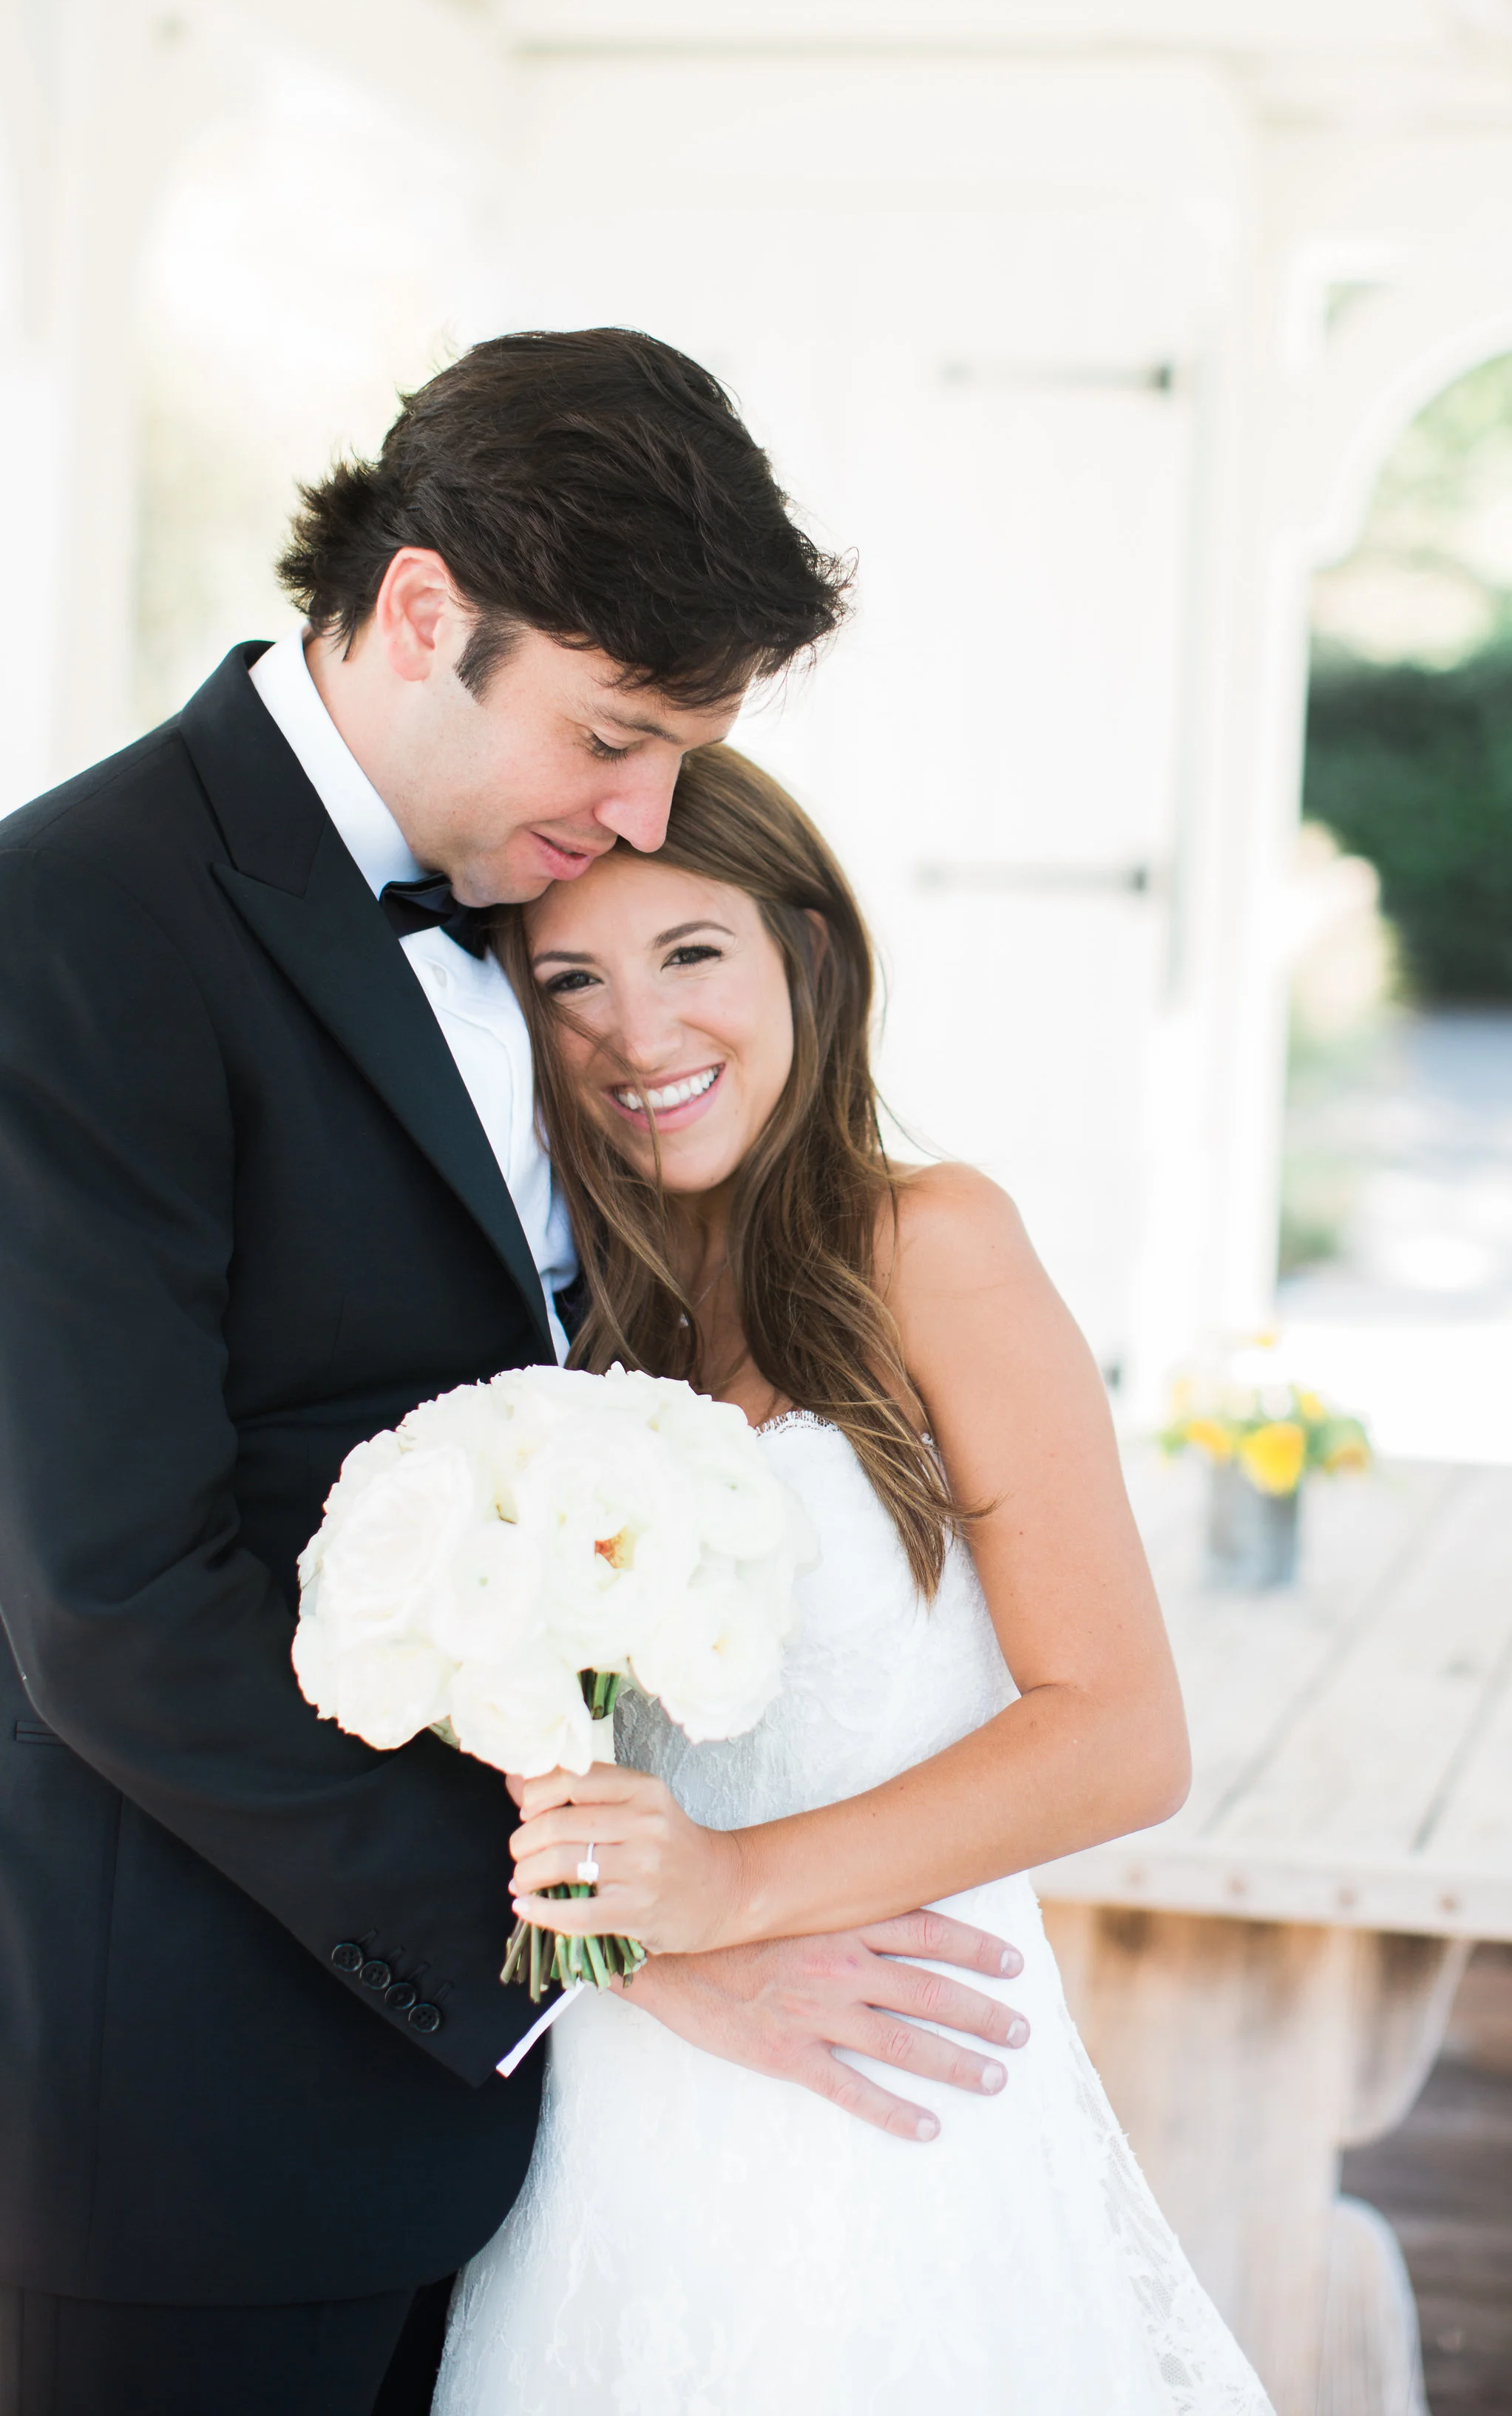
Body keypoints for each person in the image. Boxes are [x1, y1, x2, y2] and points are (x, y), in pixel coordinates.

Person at [0, 331, 1029, 2416]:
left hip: (537, 2168)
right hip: (193, 2129)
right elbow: (111, 1603)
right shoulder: (73, 925)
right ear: (417, 612)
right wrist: (611, 1949)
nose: (644, 816)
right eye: (613, 734)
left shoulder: (542, 922)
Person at [434, 745, 1275, 2415]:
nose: (638, 1036)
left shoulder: (931, 1246)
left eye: (692, 956)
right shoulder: (566, 1316)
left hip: (880, 2092)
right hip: (617, 2091)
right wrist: (663, 1955)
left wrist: (737, 1891)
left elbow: (1120, 1734)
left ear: (808, 954)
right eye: (571, 982)